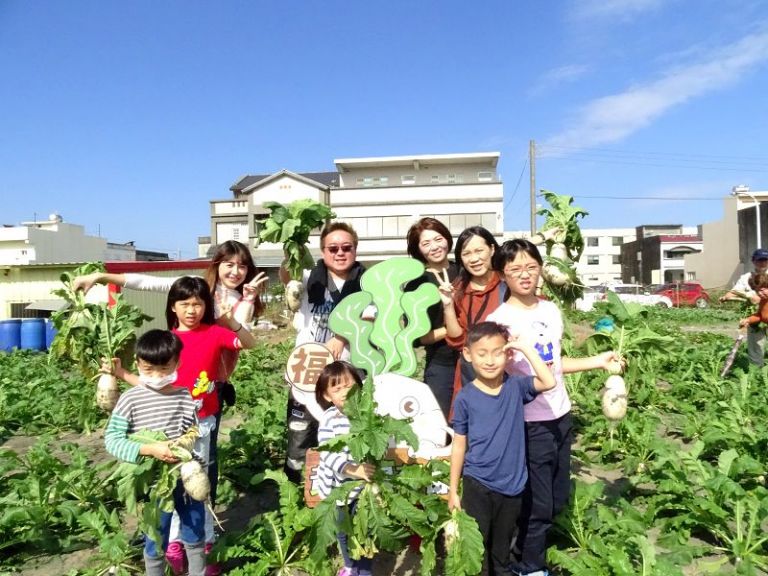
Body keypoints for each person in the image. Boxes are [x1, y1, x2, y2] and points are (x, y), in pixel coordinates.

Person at [486, 239, 622, 576]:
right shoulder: (500, 321)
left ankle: (522, 553)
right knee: (538, 503)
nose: (525, 274)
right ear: (502, 275)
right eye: (516, 269)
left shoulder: (549, 310)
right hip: (529, 423)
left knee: (557, 497)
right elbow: (492, 376)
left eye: (531, 267)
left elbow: (556, 364)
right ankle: (528, 566)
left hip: (560, 415)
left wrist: (598, 361)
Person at [163, 276, 258, 575]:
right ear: (173, 307)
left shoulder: (215, 333)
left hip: (202, 422)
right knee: (175, 483)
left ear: (206, 306)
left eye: (198, 304)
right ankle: (176, 542)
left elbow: (250, 343)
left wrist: (231, 321)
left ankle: (205, 544)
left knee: (198, 483)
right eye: (185, 304)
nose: (192, 310)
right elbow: (151, 378)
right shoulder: (166, 340)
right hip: (170, 424)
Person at [448, 321, 556, 576]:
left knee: (501, 549)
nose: (490, 360)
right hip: (478, 483)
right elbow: (459, 444)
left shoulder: (516, 386)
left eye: (498, 353)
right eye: (482, 353)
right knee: (477, 548)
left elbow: (548, 381)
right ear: (468, 354)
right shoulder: (465, 397)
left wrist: (525, 348)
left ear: (508, 354)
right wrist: (453, 490)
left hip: (512, 485)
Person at [104, 329, 206, 576]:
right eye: (149, 370)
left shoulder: (183, 396)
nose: (157, 376)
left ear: (177, 363)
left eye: (164, 369)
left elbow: (192, 429)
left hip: (184, 476)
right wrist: (150, 449)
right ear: (138, 364)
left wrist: (183, 444)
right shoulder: (130, 399)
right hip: (153, 482)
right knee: (155, 534)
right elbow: (112, 440)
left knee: (195, 527)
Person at [279, 221, 365, 482]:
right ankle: (298, 493)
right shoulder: (309, 278)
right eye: (333, 248)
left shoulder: (367, 283)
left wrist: (341, 336)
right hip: (308, 373)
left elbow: (370, 321)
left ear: (355, 249)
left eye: (346, 248)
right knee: (300, 438)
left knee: (345, 441)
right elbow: (287, 277)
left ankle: (339, 492)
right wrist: (292, 249)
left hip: (346, 379)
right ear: (323, 251)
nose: (340, 253)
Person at [315, 361, 376, 576]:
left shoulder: (369, 415)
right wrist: (354, 469)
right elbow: (327, 454)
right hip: (337, 489)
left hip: (362, 490)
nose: (344, 392)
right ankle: (350, 565)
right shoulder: (329, 419)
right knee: (343, 529)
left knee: (366, 529)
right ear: (327, 396)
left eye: (349, 386)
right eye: (337, 388)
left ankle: (365, 570)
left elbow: (378, 445)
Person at [404, 217, 458, 419]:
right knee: (441, 422)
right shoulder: (416, 284)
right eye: (426, 243)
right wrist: (455, 329)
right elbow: (418, 337)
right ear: (418, 249)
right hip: (441, 364)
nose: (434, 247)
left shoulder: (464, 270)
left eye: (438, 239)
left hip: (475, 361)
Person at [721, 248, 768, 366]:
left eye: (765, 260)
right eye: (760, 260)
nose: (763, 263)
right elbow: (733, 292)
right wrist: (726, 297)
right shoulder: (746, 278)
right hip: (755, 318)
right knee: (756, 349)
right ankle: (756, 373)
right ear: (753, 261)